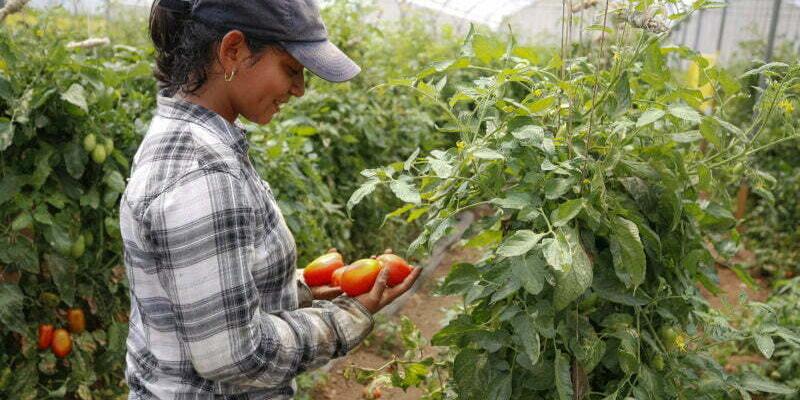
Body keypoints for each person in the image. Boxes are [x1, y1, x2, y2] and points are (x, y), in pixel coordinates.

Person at [119, 1, 421, 398]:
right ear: (233, 51)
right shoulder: (203, 174)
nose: (299, 89)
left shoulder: (187, 141)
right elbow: (234, 357)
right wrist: (348, 317)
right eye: (291, 69)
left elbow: (192, 301)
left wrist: (300, 290)